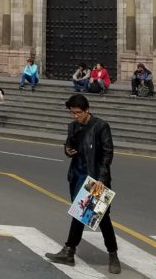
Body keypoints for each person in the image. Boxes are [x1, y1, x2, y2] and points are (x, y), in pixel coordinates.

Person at [45, 94, 121, 274]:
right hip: (78, 175)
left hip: (95, 177)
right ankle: (69, 251)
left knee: (102, 218)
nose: (75, 116)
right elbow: (69, 146)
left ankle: (113, 254)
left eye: (78, 113)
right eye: (72, 113)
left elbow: (107, 154)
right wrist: (67, 150)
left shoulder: (100, 126)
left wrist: (101, 180)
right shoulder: (73, 126)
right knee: (79, 214)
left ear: (87, 110)